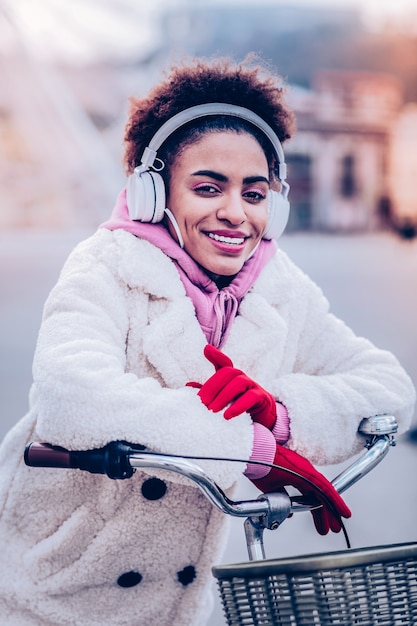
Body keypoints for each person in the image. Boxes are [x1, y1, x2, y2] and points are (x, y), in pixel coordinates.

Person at [0, 55, 415, 626]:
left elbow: (390, 388)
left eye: (254, 192)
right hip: (53, 590)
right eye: (207, 187)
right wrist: (249, 446)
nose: (234, 213)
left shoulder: (277, 286)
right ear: (153, 193)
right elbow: (70, 395)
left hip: (179, 604)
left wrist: (284, 414)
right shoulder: (106, 265)